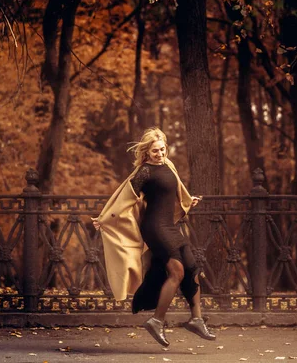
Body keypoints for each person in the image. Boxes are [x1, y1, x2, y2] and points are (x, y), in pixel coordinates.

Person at [92, 127, 216, 347]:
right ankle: (156, 321)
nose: (160, 153)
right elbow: (124, 196)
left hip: (170, 225)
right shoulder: (144, 172)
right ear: (146, 152)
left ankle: (196, 319)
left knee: (192, 266)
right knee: (176, 271)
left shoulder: (169, 165)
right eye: (155, 151)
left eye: (162, 149)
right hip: (155, 228)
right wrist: (105, 219)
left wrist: (188, 200)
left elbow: (175, 191)